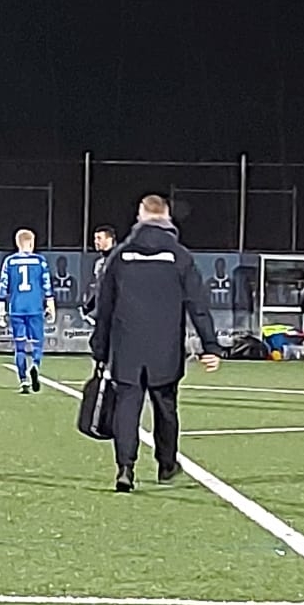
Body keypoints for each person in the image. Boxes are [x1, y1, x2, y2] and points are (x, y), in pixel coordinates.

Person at [89, 195, 221, 493]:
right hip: (166, 346)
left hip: (127, 346)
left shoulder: (120, 256)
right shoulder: (180, 256)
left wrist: (100, 348)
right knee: (166, 406)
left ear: (140, 216)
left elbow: (104, 307)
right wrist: (210, 346)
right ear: (167, 217)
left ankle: (125, 468)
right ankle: (166, 463)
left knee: (127, 406)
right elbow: (197, 304)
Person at [0, 229, 55, 394]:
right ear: (32, 243)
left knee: (19, 346)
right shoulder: (40, 261)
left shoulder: (10, 261)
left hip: (17, 308)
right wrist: (50, 303)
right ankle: (35, 364)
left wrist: (0, 308)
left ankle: (23, 381)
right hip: (35, 307)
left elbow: (3, 285)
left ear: (17, 243)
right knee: (37, 343)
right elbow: (46, 283)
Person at [82, 225, 117, 325]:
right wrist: (89, 305)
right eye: (95, 238)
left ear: (109, 239)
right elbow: (99, 287)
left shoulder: (119, 261)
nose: (95, 242)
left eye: (99, 238)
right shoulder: (99, 263)